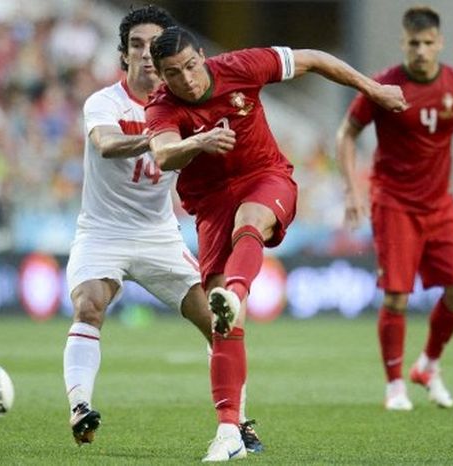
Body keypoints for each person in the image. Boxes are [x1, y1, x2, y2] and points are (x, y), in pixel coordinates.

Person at [145, 26, 407, 461]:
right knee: (223, 325)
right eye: (173, 73)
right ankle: (229, 432)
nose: (187, 80)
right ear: (161, 75)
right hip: (210, 207)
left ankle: (237, 290)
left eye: (191, 66)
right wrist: (200, 140)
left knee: (249, 225)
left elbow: (317, 58)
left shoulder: (242, 66)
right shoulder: (162, 107)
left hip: (266, 179)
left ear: (203, 56)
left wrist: (372, 88)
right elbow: (162, 153)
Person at [62, 6, 263, 452]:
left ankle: (240, 423)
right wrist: (163, 139)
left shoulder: (186, 105)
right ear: (123, 55)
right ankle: (80, 407)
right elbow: (107, 143)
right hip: (102, 231)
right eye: (137, 45)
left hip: (158, 234)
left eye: (155, 46)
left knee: (216, 322)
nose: (147, 55)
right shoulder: (104, 103)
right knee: (89, 305)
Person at [335, 6, 453, 411]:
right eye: (414, 43)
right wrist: (352, 188)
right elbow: (347, 134)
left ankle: (428, 363)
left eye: (428, 43)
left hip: (440, 203)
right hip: (393, 202)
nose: (421, 51)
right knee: (396, 298)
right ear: (403, 43)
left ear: (439, 43)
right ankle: (394, 385)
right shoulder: (383, 85)